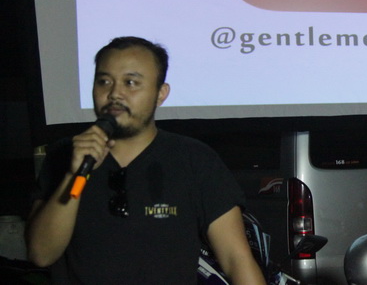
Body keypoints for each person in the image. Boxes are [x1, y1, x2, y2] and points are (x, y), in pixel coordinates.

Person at [26, 36, 267, 285]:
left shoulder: (194, 159)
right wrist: (74, 176)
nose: (115, 94)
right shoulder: (65, 155)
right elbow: (41, 254)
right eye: (104, 81)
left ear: (160, 94)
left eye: (130, 83)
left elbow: (236, 259)